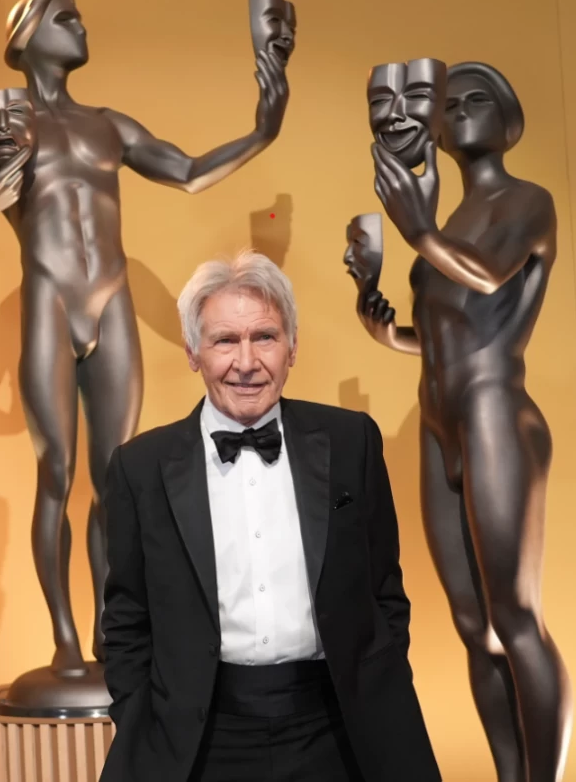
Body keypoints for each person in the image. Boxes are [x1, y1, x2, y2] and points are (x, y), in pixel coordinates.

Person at [0, 0, 290, 678]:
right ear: (29, 34)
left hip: (111, 302)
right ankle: (65, 639)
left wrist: (263, 128)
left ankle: (109, 635)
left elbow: (186, 172)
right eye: (67, 17)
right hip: (48, 301)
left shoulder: (107, 125)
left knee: (117, 477)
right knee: (56, 472)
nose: (81, 25)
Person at [99, 250, 441, 782]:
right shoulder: (139, 467)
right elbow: (125, 622)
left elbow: (385, 592)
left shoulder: (352, 442)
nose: (246, 362)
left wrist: (377, 682)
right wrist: (144, 718)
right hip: (199, 740)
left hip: (340, 729)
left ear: (292, 347)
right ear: (193, 351)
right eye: (224, 340)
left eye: (264, 336)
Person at [360, 60, 569, 782]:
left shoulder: (526, 202)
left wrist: (416, 229)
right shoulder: (445, 222)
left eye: (481, 98)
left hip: (494, 414)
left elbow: (484, 275)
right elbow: (445, 330)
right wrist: (382, 324)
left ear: (508, 119)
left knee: (516, 617)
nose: (463, 108)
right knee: (473, 627)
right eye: (451, 101)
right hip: (437, 420)